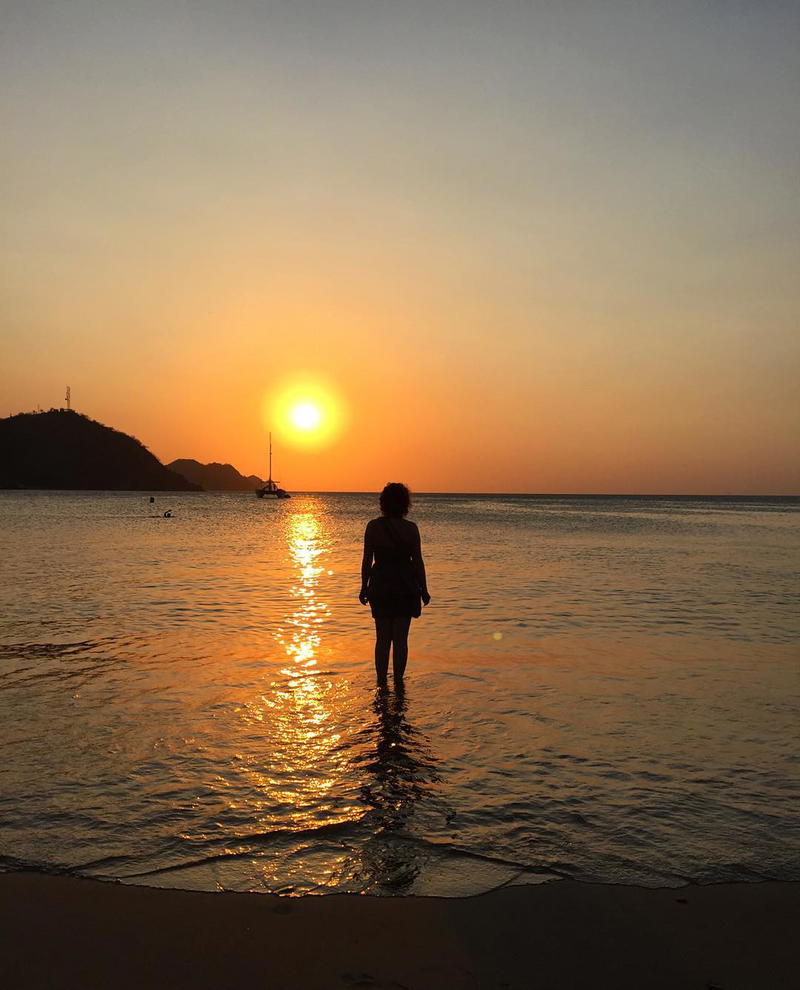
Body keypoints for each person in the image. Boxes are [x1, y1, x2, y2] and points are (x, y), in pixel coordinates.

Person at [359, 483, 431, 682]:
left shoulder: (373, 527)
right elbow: (417, 562)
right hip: (405, 586)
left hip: (381, 585)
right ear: (405, 504)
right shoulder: (411, 529)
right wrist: (424, 589)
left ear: (383, 503)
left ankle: (381, 683)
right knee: (400, 640)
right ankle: (399, 683)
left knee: (382, 639)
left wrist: (363, 586)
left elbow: (367, 560)